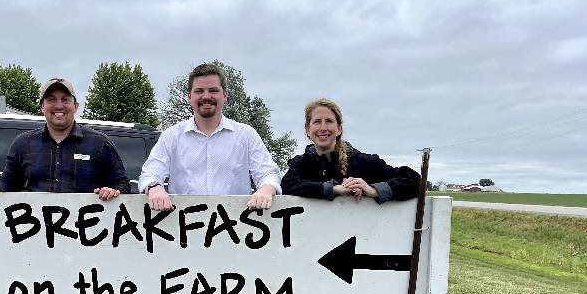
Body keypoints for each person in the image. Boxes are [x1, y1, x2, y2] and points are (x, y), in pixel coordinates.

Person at [138, 63, 281, 211]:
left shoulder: (246, 135)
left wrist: (266, 189)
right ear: (189, 96)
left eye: (213, 90)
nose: (206, 96)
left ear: (225, 95)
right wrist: (154, 187)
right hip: (183, 227)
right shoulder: (171, 136)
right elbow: (150, 174)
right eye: (199, 91)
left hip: (235, 227)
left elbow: (268, 173)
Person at [0, 78, 131, 200]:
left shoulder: (100, 143)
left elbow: (123, 185)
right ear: (42, 106)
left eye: (65, 99)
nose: (59, 106)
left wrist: (113, 191)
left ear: (75, 106)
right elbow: (8, 183)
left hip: (86, 235)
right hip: (35, 233)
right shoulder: (23, 143)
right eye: (51, 99)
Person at [281, 98, 420, 203]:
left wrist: (373, 190)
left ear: (339, 129)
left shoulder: (363, 162)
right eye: (317, 121)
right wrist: (334, 189)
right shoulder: (300, 164)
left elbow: (414, 181)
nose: (323, 128)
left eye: (329, 121)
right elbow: (287, 186)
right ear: (307, 130)